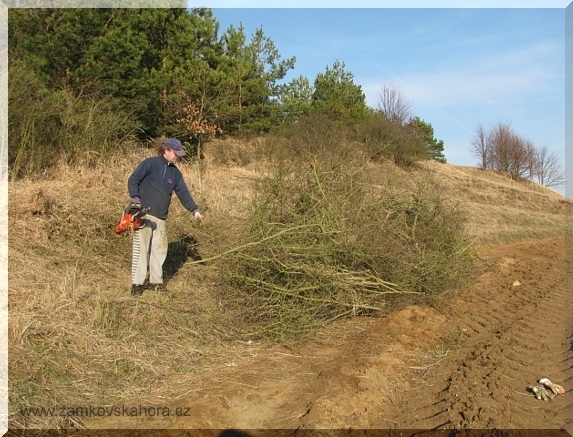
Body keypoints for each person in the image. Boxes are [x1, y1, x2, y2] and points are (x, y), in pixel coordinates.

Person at [127, 138, 203, 297]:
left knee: (159, 250)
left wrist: (194, 210)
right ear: (166, 150)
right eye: (176, 153)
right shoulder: (150, 163)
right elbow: (133, 179)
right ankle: (137, 284)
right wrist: (135, 199)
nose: (178, 157)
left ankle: (156, 282)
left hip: (161, 218)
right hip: (144, 214)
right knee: (141, 250)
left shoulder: (175, 173)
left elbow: (183, 193)